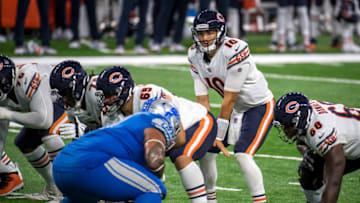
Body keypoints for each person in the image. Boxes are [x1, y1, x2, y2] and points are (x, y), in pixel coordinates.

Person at [96, 66, 224, 202]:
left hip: (197, 122)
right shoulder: (110, 115)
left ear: (125, 91)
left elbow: (179, 138)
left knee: (181, 156)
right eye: (103, 95)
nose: (106, 101)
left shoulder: (150, 97)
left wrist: (154, 163)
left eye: (111, 95)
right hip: (162, 137)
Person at [188, 10, 274, 203]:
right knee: (206, 150)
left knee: (242, 154)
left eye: (209, 32)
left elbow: (229, 99)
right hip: (235, 110)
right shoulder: (194, 54)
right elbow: (202, 100)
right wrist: (206, 132)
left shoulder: (235, 49)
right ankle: (210, 200)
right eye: (200, 33)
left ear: (220, 32)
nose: (204, 37)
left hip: (258, 106)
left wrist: (218, 135)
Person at [53, 98, 181, 202]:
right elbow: (154, 159)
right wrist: (157, 175)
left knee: (88, 199)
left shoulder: (129, 125)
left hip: (62, 165)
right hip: (89, 162)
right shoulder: (158, 122)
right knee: (154, 188)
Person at [0, 55, 68, 200]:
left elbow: (43, 119)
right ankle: (53, 187)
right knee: (25, 143)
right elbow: (1, 136)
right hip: (45, 108)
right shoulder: (5, 93)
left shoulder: (28, 78)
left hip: (66, 100)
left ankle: (66, 191)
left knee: (49, 134)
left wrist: (7, 114)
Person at [273, 92, 360, 203]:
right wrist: (307, 153)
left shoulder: (322, 133)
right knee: (308, 169)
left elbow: (333, 183)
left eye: (287, 125)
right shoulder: (307, 115)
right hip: (346, 140)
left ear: (298, 121)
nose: (284, 130)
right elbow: (301, 141)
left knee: (322, 173)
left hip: (350, 145)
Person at [49, 60, 101, 139]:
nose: (64, 99)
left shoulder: (96, 93)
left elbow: (118, 130)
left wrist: (86, 131)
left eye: (65, 93)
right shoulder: (73, 108)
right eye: (60, 94)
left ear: (77, 86)